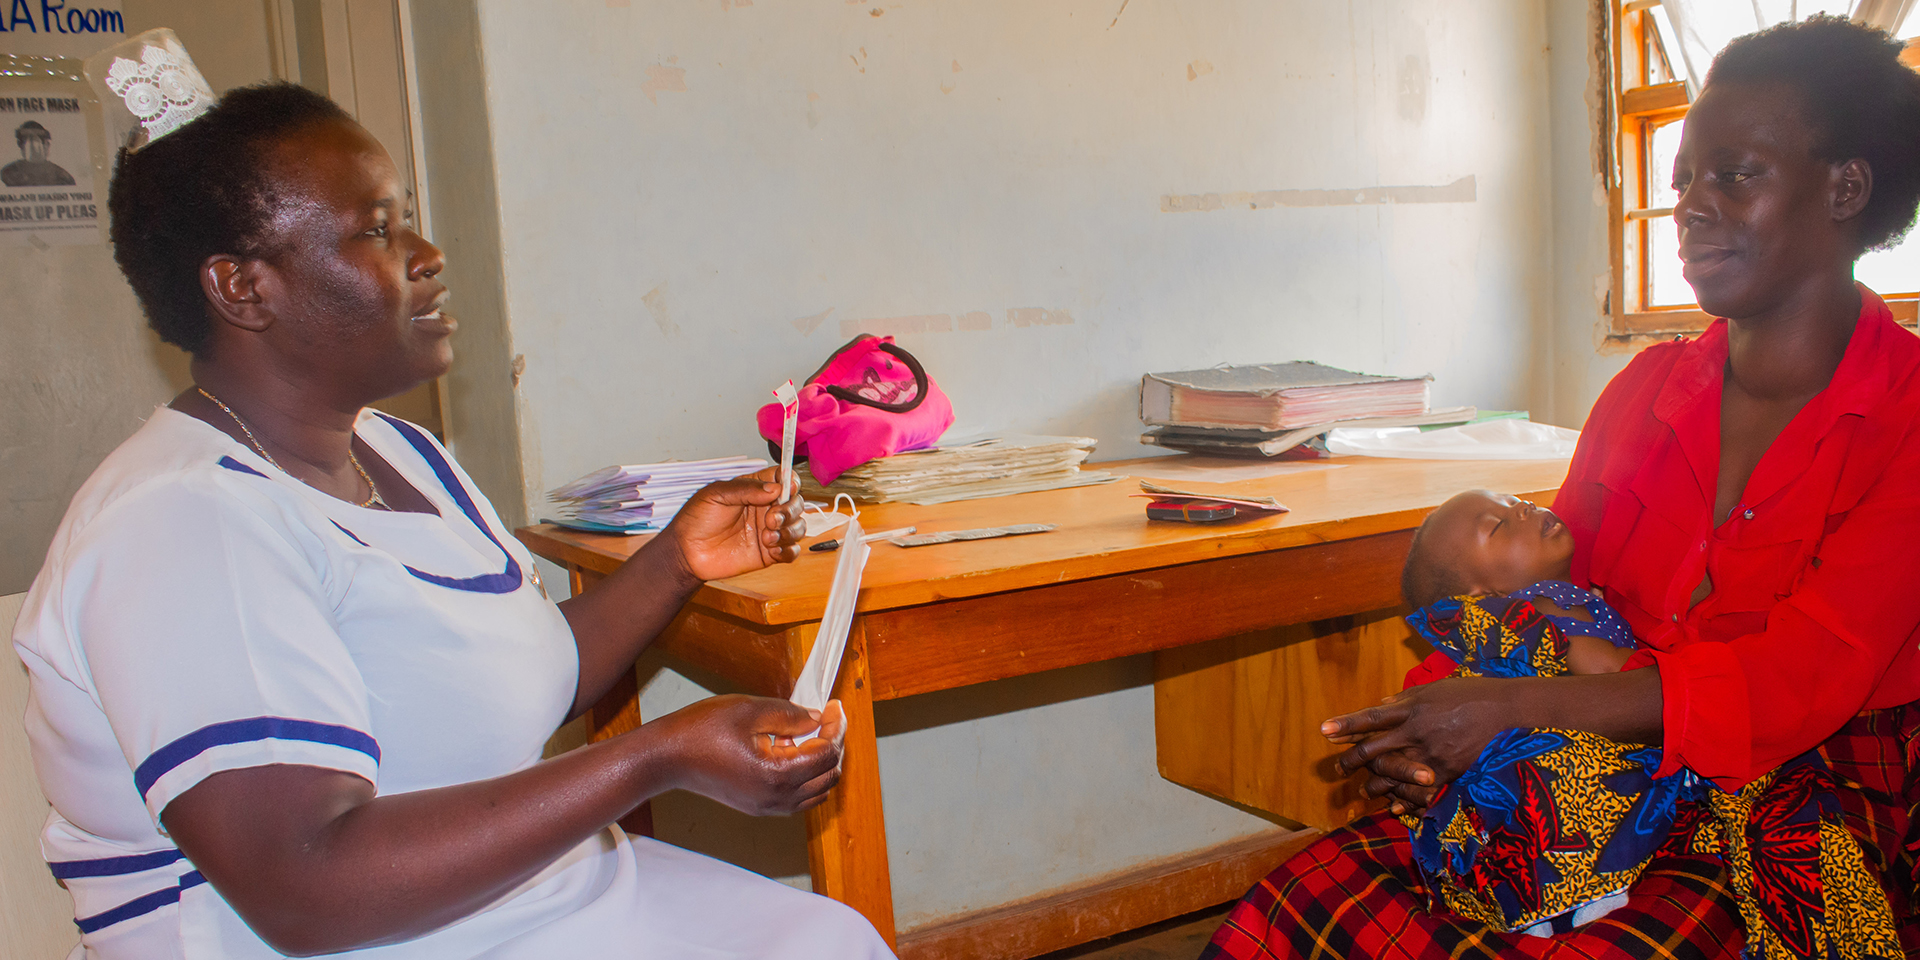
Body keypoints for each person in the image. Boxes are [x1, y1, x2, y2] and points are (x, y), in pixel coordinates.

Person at [11, 78, 893, 959]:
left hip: (541, 898)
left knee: (832, 942)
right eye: (377, 229)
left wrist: (675, 563)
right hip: (359, 943)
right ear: (244, 288)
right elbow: (307, 887)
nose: (427, 253)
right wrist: (651, 759)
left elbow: (513, 681)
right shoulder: (181, 526)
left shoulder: (398, 451)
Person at [1205, 16, 1920, 959]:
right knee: (1304, 899)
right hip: (1581, 755)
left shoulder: (1907, 420)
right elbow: (1537, 607)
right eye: (1682, 182)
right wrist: (1438, 729)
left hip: (1794, 785)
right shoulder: (1643, 396)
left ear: (1846, 188)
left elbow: (1796, 684)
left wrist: (1513, 713)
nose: (1691, 207)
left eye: (1733, 175)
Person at [1395, 491, 1894, 951]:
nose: (1524, 511)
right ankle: (1573, 899)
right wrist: (1676, 679)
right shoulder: (1545, 607)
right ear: (1479, 591)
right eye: (1500, 524)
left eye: (1519, 500)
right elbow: (1604, 671)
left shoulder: (1532, 611)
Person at [2, 120, 76, 186]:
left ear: (47, 145)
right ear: (21, 145)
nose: (34, 146)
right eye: (28, 140)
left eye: (38, 140)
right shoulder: (9, 172)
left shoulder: (62, 177)